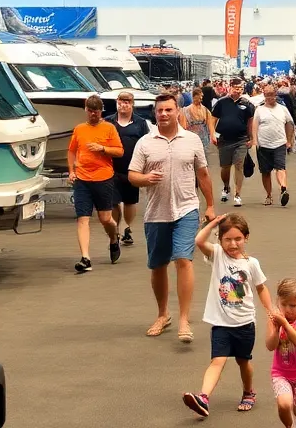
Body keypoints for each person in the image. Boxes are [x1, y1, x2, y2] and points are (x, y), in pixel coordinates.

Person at [129, 93, 216, 343]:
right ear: (155, 114)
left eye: (168, 110)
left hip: (186, 208)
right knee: (157, 266)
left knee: (183, 260)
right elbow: (133, 175)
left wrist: (209, 205)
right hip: (156, 212)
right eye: (160, 111)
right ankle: (162, 314)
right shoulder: (145, 143)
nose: (164, 114)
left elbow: (203, 174)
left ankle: (184, 319)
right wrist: (145, 179)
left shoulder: (191, 140)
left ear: (178, 111)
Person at [182, 213, 272, 418]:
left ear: (246, 238)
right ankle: (203, 397)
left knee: (243, 361)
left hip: (245, 323)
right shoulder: (217, 255)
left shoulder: (251, 264)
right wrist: (214, 223)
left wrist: (270, 311)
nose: (233, 244)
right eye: (227, 239)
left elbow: (261, 288)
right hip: (220, 323)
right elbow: (198, 240)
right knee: (218, 360)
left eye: (238, 239)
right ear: (220, 240)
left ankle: (249, 392)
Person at [66, 94, 124, 273]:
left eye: (96, 111)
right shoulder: (79, 129)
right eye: (90, 111)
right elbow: (71, 151)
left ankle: (114, 239)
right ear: (86, 110)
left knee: (105, 219)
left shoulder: (109, 128)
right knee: (82, 218)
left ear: (101, 111)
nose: (93, 115)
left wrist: (103, 149)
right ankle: (85, 258)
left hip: (103, 178)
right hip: (82, 179)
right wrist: (71, 171)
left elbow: (120, 151)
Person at [266, 279, 296, 428]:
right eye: (283, 304)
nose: (288, 309)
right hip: (281, 373)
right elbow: (270, 346)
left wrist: (285, 325)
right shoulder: (274, 321)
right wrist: (275, 330)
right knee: (284, 404)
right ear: (278, 302)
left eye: (293, 305)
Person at [107, 91, 151, 248]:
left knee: (130, 201)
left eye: (127, 102)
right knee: (113, 202)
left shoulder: (140, 123)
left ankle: (127, 226)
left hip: (133, 168)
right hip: (111, 169)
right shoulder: (108, 122)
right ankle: (117, 229)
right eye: (121, 101)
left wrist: (146, 166)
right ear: (116, 102)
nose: (123, 104)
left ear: (132, 104)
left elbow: (146, 144)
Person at [212, 78, 257, 208]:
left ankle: (238, 194)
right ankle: (226, 187)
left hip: (241, 140)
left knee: (239, 165)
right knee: (225, 167)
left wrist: (251, 138)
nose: (238, 91)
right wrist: (212, 134)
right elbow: (213, 119)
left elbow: (250, 122)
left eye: (240, 88)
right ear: (230, 87)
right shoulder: (221, 102)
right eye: (236, 88)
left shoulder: (247, 104)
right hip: (224, 140)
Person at [255, 83, 295, 207]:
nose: (270, 97)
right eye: (267, 95)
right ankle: (269, 195)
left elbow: (289, 123)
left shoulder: (282, 109)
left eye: (272, 95)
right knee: (265, 172)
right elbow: (254, 126)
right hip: (263, 145)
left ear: (276, 95)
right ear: (264, 95)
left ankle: (283, 188)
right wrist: (255, 141)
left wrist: (289, 140)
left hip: (279, 143)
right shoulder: (259, 109)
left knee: (280, 167)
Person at [182, 87, 214, 154]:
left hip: (204, 139)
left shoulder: (205, 110)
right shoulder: (185, 110)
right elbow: (183, 127)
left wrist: (213, 136)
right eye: (200, 96)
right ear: (194, 96)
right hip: (191, 138)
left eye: (202, 96)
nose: (201, 98)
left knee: (203, 157)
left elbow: (210, 124)